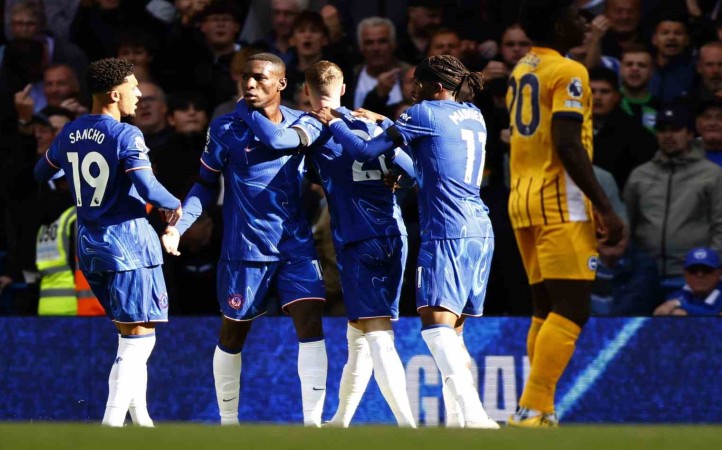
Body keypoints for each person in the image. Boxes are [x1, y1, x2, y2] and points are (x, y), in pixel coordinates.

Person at [310, 54, 498, 429]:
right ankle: (459, 424)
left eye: (418, 83)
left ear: (436, 87)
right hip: (481, 228)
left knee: (436, 326)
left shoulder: (422, 113)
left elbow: (365, 151)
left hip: (447, 229)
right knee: (454, 333)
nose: (412, 91)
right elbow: (424, 154)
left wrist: (334, 122)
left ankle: (476, 416)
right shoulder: (473, 114)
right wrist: (383, 121)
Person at [232, 60, 417, 428]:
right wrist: (396, 181)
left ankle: (408, 426)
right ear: (343, 89)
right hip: (394, 234)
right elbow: (412, 172)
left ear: (305, 91)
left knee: (377, 333)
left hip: (358, 238)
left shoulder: (315, 126)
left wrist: (245, 110)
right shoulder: (368, 122)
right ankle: (340, 421)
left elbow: (279, 141)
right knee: (358, 334)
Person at [161, 53, 328, 427]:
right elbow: (204, 185)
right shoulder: (224, 128)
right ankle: (228, 422)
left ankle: (314, 425)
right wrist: (178, 227)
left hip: (295, 246)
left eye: (259, 78)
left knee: (310, 324)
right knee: (233, 333)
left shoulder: (303, 123)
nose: (250, 84)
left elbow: (321, 170)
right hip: (245, 250)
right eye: (245, 78)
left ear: (281, 83)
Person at [33, 57, 182, 427]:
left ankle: (142, 422)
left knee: (129, 334)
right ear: (115, 94)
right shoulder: (126, 134)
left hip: (89, 244)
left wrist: (77, 173)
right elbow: (148, 187)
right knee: (141, 338)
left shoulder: (70, 131)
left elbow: (41, 172)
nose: (139, 94)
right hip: (127, 242)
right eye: (133, 87)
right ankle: (110, 425)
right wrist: (174, 203)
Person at [507, 0, 623, 427]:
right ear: (558, 27)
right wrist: (606, 208)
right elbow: (568, 143)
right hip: (561, 201)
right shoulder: (569, 71)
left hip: (523, 198)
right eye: (577, 17)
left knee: (545, 309)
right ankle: (532, 407)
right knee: (573, 309)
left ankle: (540, 409)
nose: (586, 23)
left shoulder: (523, 68)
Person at [623, 105, 722, 291]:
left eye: (676, 130)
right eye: (663, 130)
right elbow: (627, 223)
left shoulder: (712, 175)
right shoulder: (640, 175)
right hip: (644, 274)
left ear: (690, 134)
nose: (669, 136)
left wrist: (710, 266)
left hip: (693, 274)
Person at [654, 247, 722, 316]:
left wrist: (680, 304)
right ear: (685, 273)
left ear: (719, 271)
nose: (700, 275)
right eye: (693, 270)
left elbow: (721, 317)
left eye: (707, 270)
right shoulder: (677, 295)